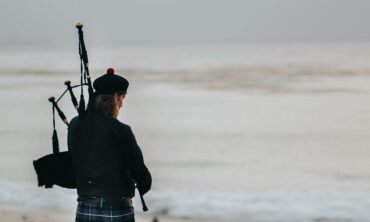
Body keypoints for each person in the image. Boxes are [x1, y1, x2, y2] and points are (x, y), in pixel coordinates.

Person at [68, 68, 152, 222]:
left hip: (85, 205)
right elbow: (138, 170)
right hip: (117, 208)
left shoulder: (74, 125)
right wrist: (144, 182)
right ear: (115, 97)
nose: (122, 104)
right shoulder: (120, 130)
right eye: (123, 98)